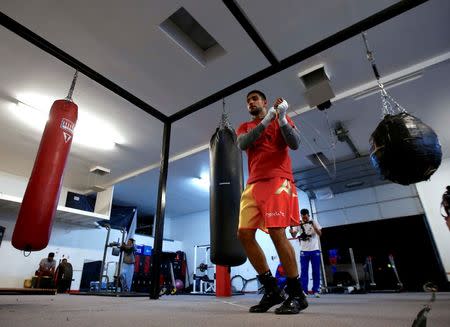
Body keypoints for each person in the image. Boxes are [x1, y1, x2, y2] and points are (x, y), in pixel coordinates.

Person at [236, 90, 308, 314]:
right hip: (253, 185)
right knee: (244, 234)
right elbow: (243, 144)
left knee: (277, 232)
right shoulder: (244, 127)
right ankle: (272, 290)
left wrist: (283, 118)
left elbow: (295, 144)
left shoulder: (281, 119)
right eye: (248, 101)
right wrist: (267, 120)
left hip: (278, 180)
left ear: (264, 102)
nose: (251, 103)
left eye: (255, 99)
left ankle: (297, 294)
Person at [290, 208, 322, 297]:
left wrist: (314, 226)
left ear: (308, 215)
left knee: (316, 271)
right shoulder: (299, 223)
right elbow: (294, 235)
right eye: (303, 217)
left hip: (315, 250)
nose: (304, 219)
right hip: (304, 251)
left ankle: (316, 290)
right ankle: (304, 290)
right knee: (304, 271)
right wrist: (291, 232)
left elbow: (320, 233)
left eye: (306, 217)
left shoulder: (314, 222)